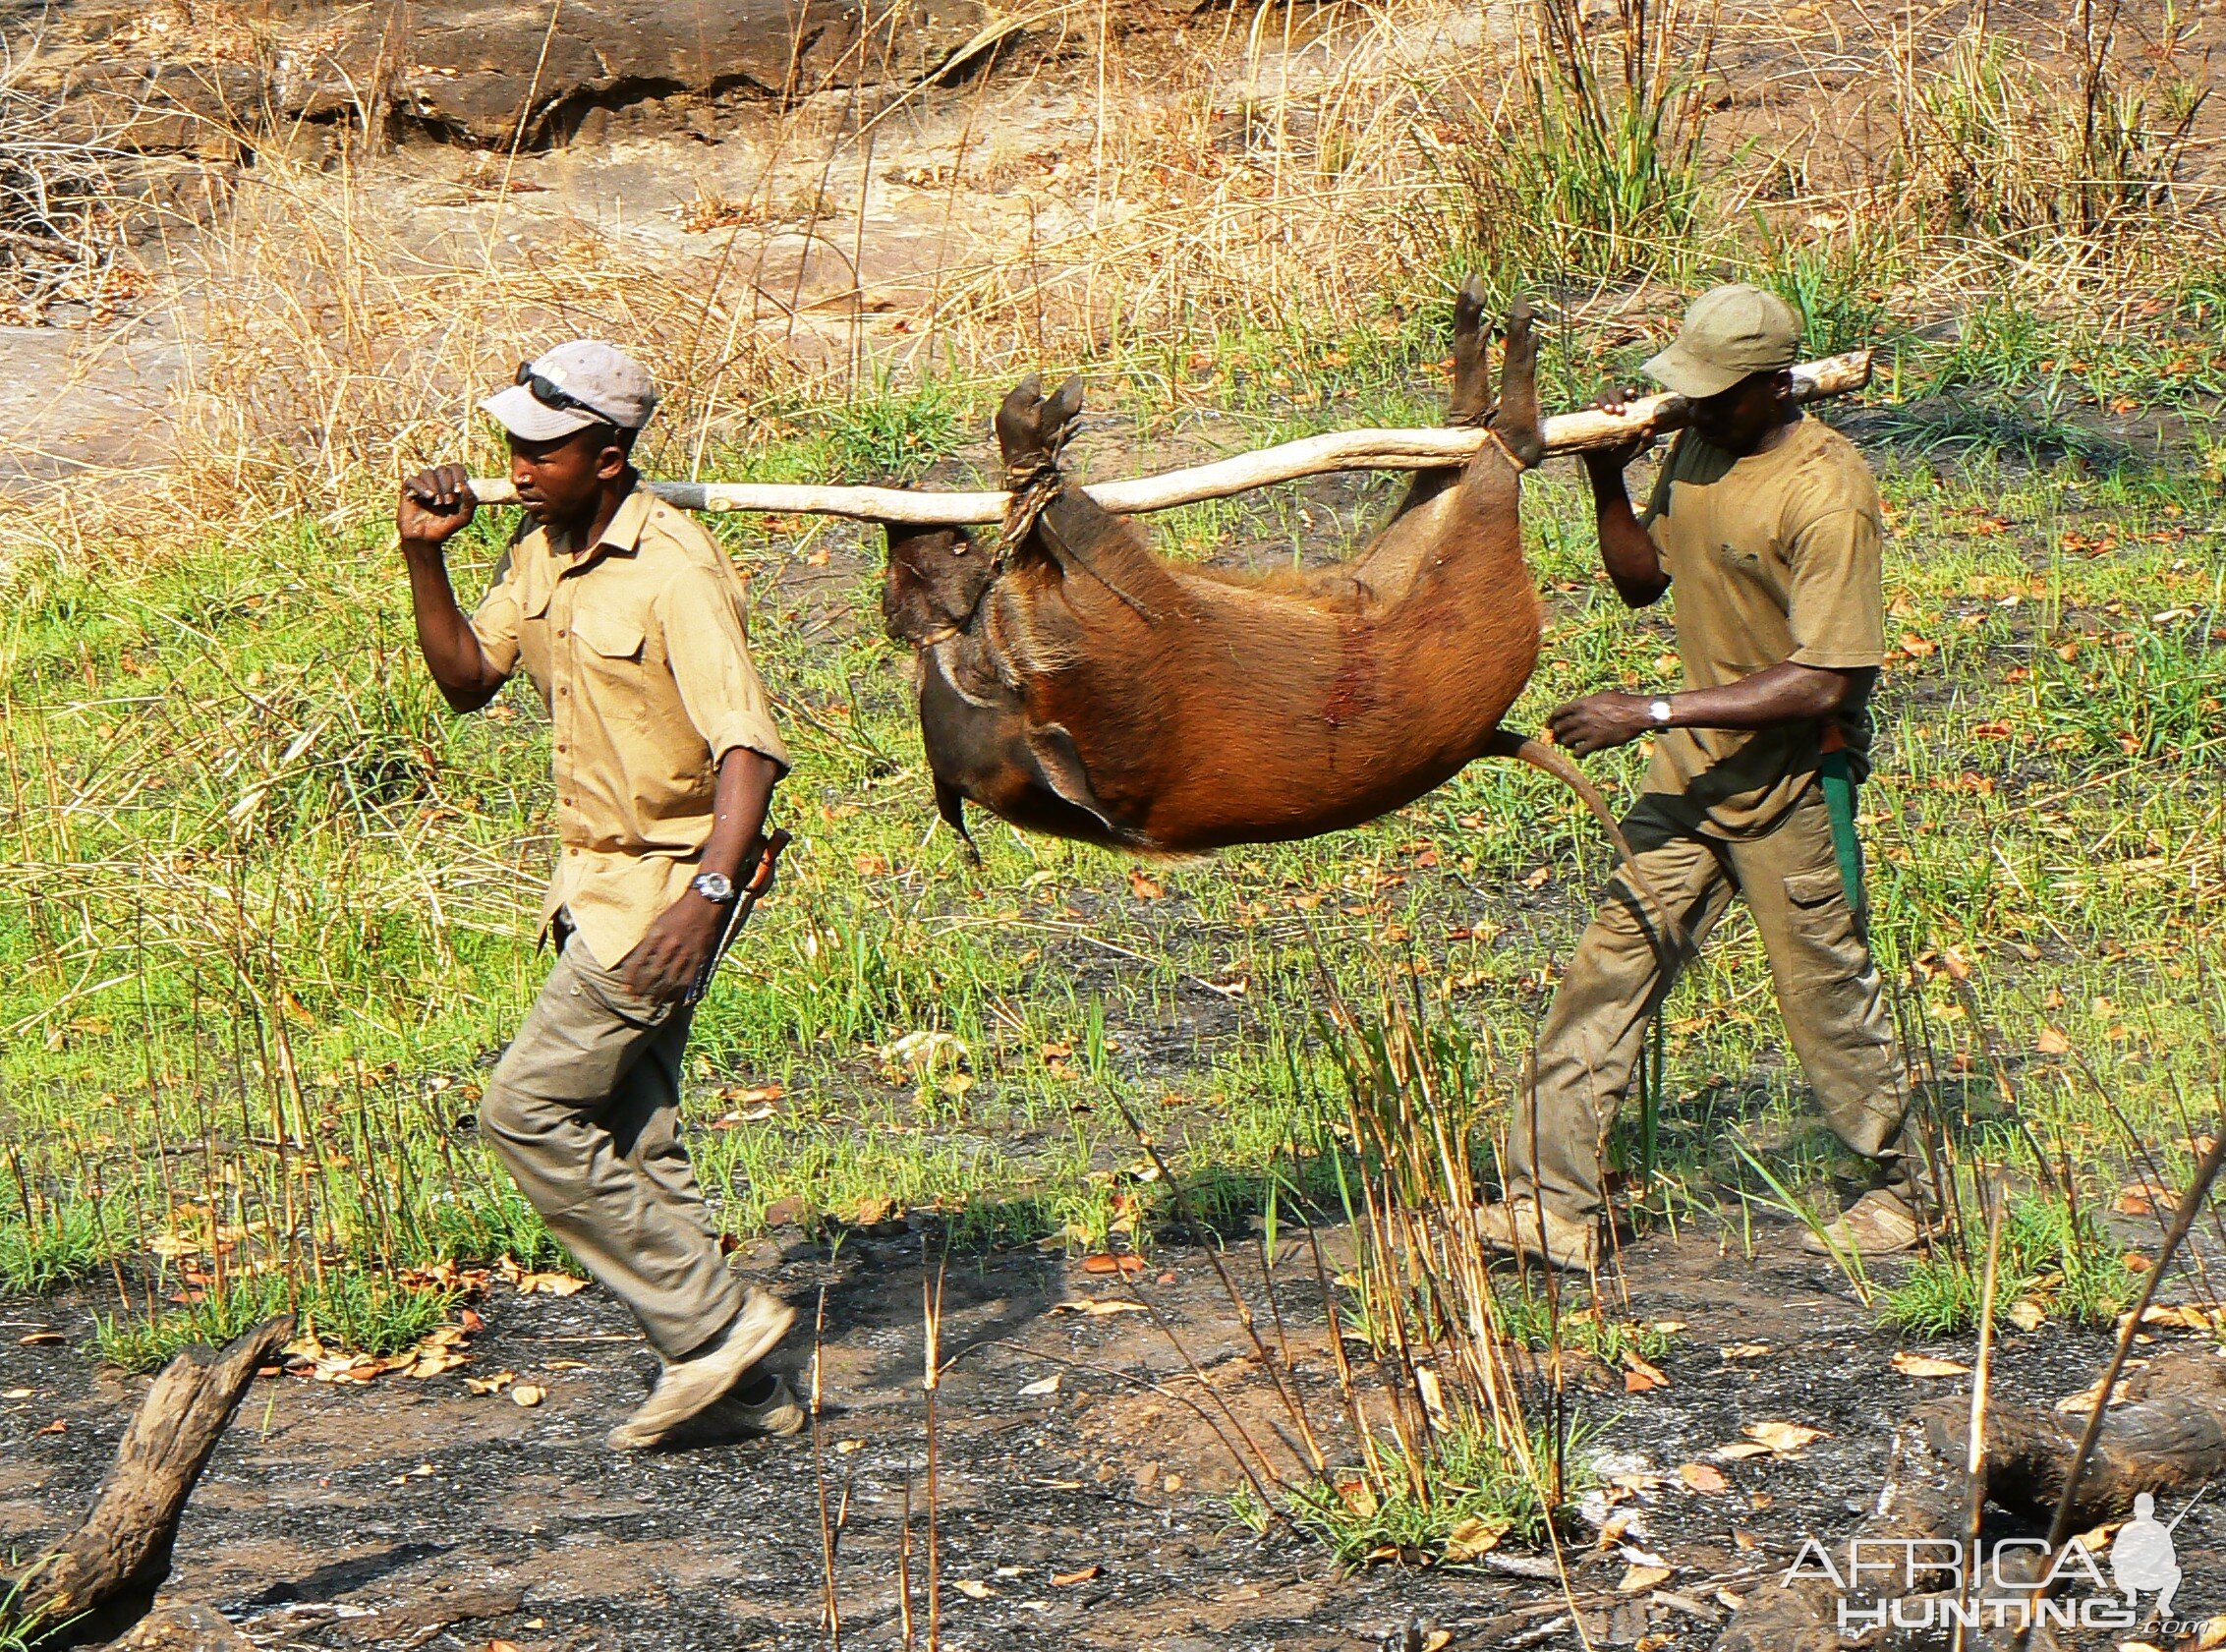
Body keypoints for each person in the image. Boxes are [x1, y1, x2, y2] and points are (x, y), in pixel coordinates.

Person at [397, 341, 800, 1449]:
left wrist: (706, 896)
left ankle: (717, 1326)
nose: (516, 468)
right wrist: (422, 557)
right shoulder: (542, 550)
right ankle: (743, 1395)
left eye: (541, 449)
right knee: (632, 1133)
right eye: (510, 448)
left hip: (663, 895)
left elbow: (749, 752)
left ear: (609, 457)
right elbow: (469, 682)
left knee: (524, 1112)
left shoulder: (675, 569)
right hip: (594, 880)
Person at [1477, 284, 1924, 1272]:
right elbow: (1644, 580)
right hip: (1689, 786)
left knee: (1826, 996)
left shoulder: (1826, 490)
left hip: (1792, 788)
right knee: (1606, 974)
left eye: (1719, 395)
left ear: (1774, 387)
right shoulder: (1703, 443)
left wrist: (1652, 711)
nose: (1700, 407)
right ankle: (1551, 1208)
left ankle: (1902, 1192)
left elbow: (1828, 676)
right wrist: (1605, 480)